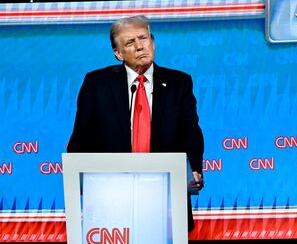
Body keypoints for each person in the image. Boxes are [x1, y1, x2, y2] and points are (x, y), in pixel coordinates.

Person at [68, 15, 204, 231]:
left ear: (153, 42)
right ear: (118, 53)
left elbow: (190, 132)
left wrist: (194, 169)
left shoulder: (179, 82)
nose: (140, 46)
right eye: (130, 42)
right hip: (111, 197)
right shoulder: (97, 83)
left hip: (166, 196)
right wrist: (80, 182)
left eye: (143, 38)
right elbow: (81, 138)